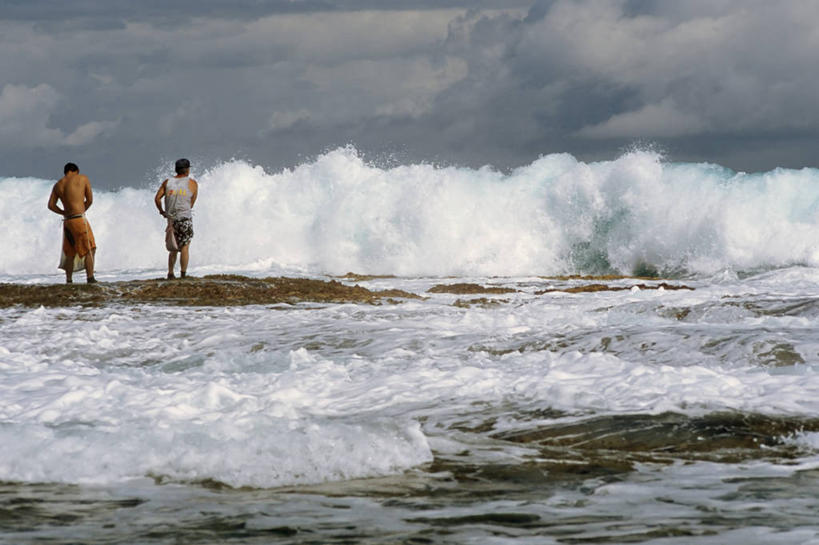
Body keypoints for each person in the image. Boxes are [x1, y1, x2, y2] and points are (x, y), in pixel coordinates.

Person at [47, 163, 97, 284]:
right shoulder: (82, 178)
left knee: (70, 252)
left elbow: (51, 205)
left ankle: (69, 280)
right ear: (76, 170)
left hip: (67, 221)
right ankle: (90, 278)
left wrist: (64, 212)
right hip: (79, 220)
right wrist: (81, 210)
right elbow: (89, 200)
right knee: (90, 249)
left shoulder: (58, 184)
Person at [154, 158, 198, 279]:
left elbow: (157, 198)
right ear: (187, 170)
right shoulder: (192, 183)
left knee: (173, 247)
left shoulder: (167, 182)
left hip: (171, 220)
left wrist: (162, 211)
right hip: (185, 218)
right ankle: (183, 274)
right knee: (185, 246)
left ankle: (170, 273)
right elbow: (192, 203)